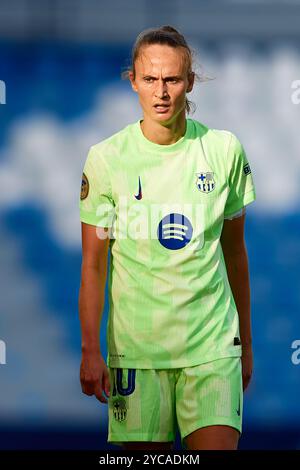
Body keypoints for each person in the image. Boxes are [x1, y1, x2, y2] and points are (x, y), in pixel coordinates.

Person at [78, 25, 256, 451]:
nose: (161, 92)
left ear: (189, 82)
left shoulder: (223, 150)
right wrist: (89, 348)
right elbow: (94, 264)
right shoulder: (106, 159)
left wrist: (244, 345)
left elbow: (235, 254)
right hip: (137, 355)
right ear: (133, 81)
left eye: (172, 79)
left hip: (212, 349)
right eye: (151, 79)